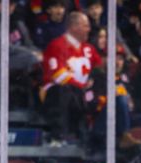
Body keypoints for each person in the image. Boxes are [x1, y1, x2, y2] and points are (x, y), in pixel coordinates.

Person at [40, 11, 101, 146]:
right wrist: (81, 86)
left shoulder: (88, 48)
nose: (89, 29)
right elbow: (58, 76)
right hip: (54, 92)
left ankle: (93, 139)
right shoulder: (57, 45)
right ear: (73, 27)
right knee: (64, 90)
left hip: (80, 92)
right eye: (85, 26)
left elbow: (100, 68)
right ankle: (58, 135)